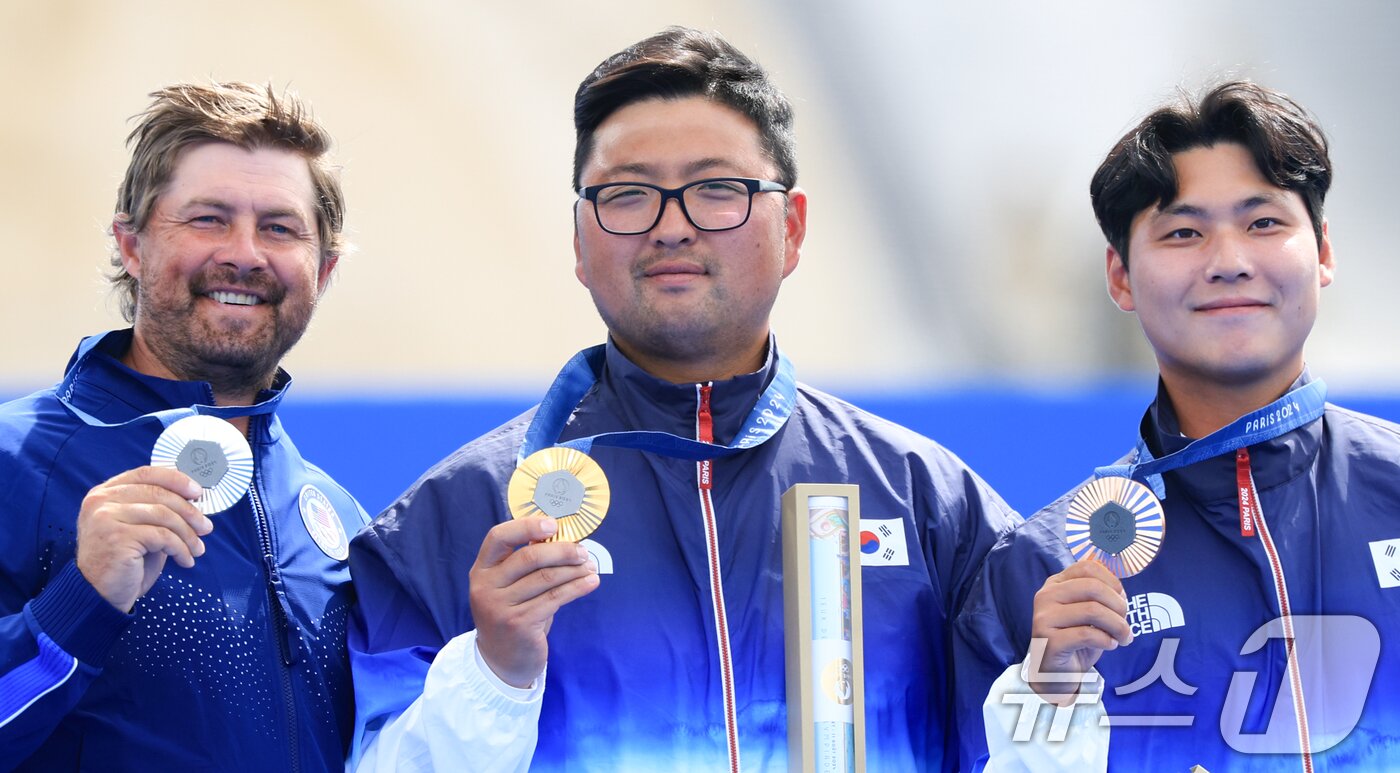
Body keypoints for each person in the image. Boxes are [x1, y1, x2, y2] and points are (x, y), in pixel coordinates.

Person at [348, 26, 1019, 772]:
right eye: (628, 195)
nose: (671, 226)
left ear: (791, 228)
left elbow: (1037, 748)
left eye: (716, 190)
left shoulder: (931, 503)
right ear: (579, 238)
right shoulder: (458, 516)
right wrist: (493, 675)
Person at [959, 81, 1400, 771]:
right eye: (1184, 232)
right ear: (1121, 276)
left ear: (1322, 252)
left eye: (1263, 223)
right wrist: (1048, 697)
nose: (1228, 261)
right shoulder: (1040, 572)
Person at [0, 82, 368, 770]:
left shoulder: (339, 521)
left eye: (280, 228)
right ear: (132, 244)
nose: (246, 253)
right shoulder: (14, 462)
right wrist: (80, 600)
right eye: (208, 218)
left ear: (322, 269)